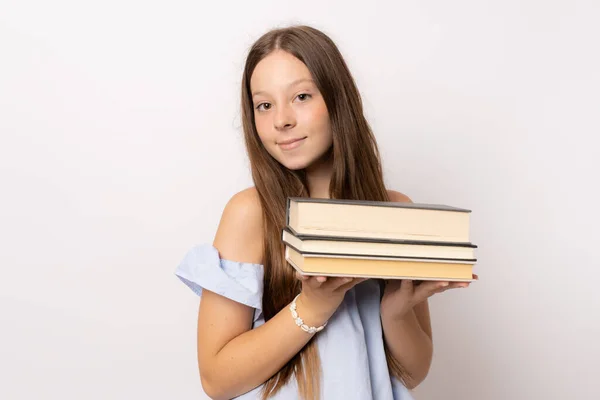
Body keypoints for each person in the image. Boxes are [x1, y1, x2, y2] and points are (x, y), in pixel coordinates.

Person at [175, 24, 471, 400]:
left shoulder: (394, 210)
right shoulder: (251, 213)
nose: (281, 119)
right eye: (264, 105)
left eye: (300, 96)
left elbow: (412, 374)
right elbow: (217, 380)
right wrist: (312, 307)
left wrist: (395, 311)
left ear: (337, 99)